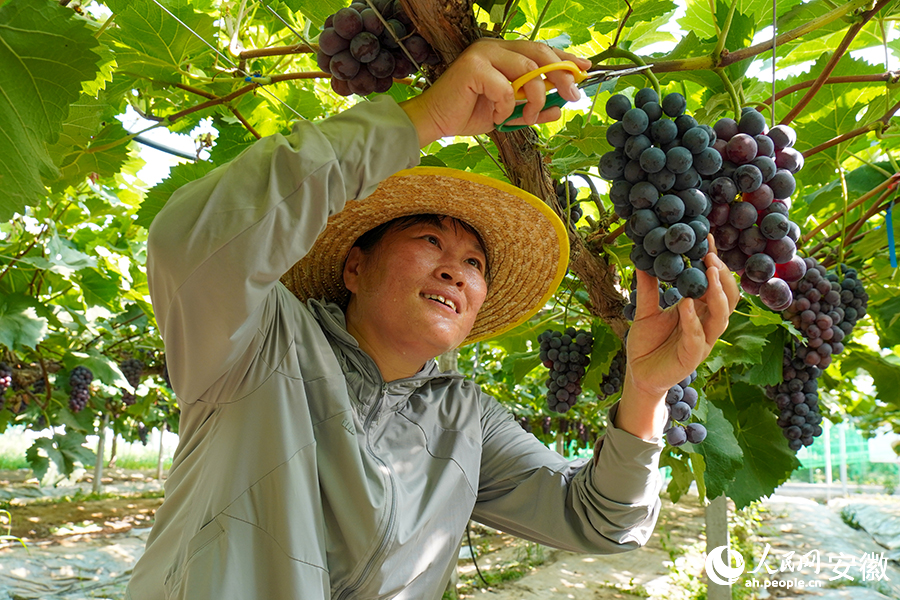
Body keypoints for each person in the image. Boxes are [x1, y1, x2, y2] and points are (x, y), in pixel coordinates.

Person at [126, 39, 740, 600]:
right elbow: (190, 245)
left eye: (475, 262)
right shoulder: (261, 344)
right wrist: (424, 119)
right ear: (354, 268)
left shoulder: (465, 420)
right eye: (428, 241)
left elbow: (604, 521)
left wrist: (646, 390)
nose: (456, 271)